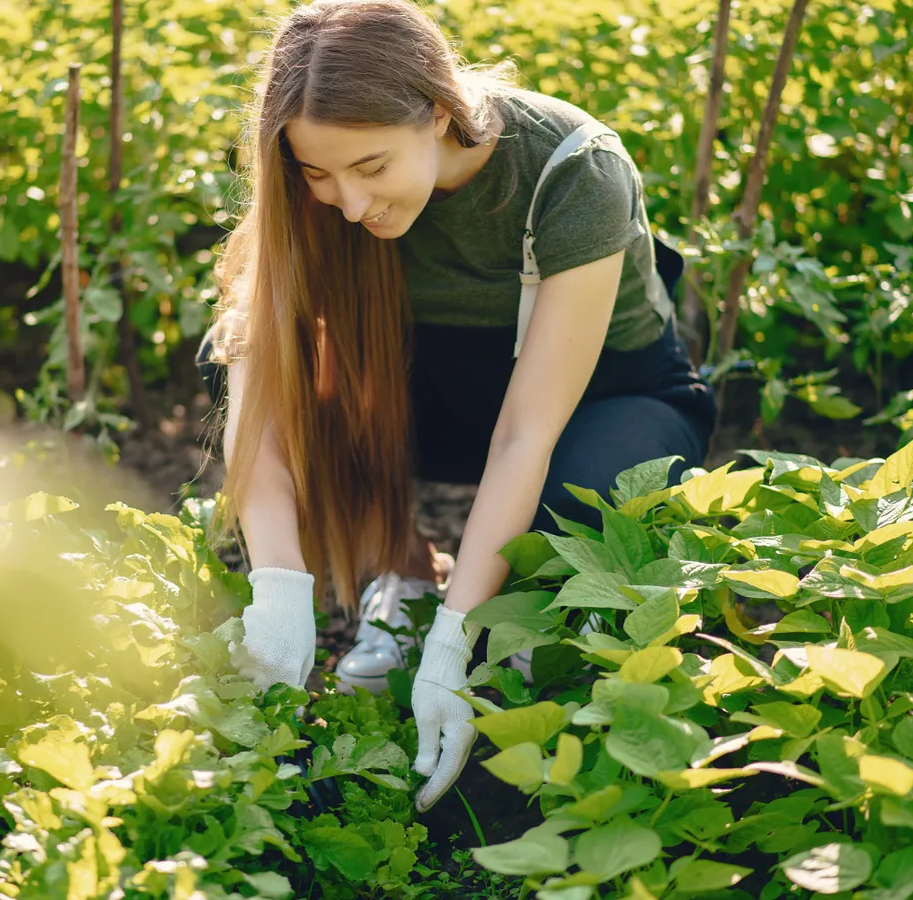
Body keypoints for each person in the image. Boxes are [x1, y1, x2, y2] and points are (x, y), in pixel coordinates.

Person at [195, 0, 717, 812]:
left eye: (371, 168)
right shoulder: (320, 186)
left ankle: (494, 622)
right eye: (319, 175)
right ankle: (403, 573)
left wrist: (461, 633)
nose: (349, 201)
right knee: (228, 358)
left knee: (584, 509)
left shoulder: (572, 168)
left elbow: (526, 431)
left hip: (599, 398)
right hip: (431, 387)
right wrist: (279, 591)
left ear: (439, 113)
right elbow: (263, 389)